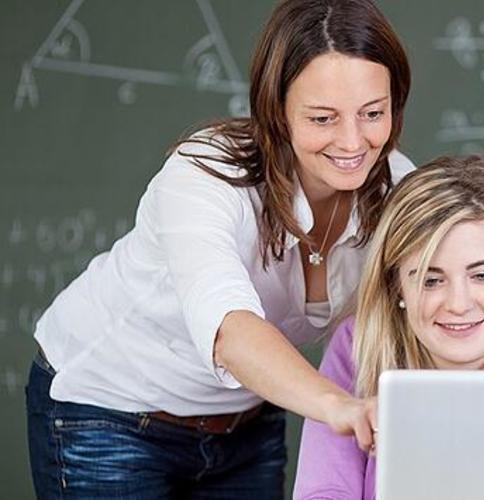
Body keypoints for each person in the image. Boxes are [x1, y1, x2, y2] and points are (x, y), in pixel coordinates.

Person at [25, 0, 412, 497]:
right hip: (110, 410)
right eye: (322, 118)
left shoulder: (398, 188)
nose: (353, 140)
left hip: (246, 425)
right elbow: (229, 330)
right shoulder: (205, 172)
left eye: (372, 113)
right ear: (277, 112)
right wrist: (341, 406)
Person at [293, 155, 484, 500]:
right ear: (397, 285)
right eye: (430, 280)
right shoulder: (358, 344)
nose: (458, 304)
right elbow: (323, 492)